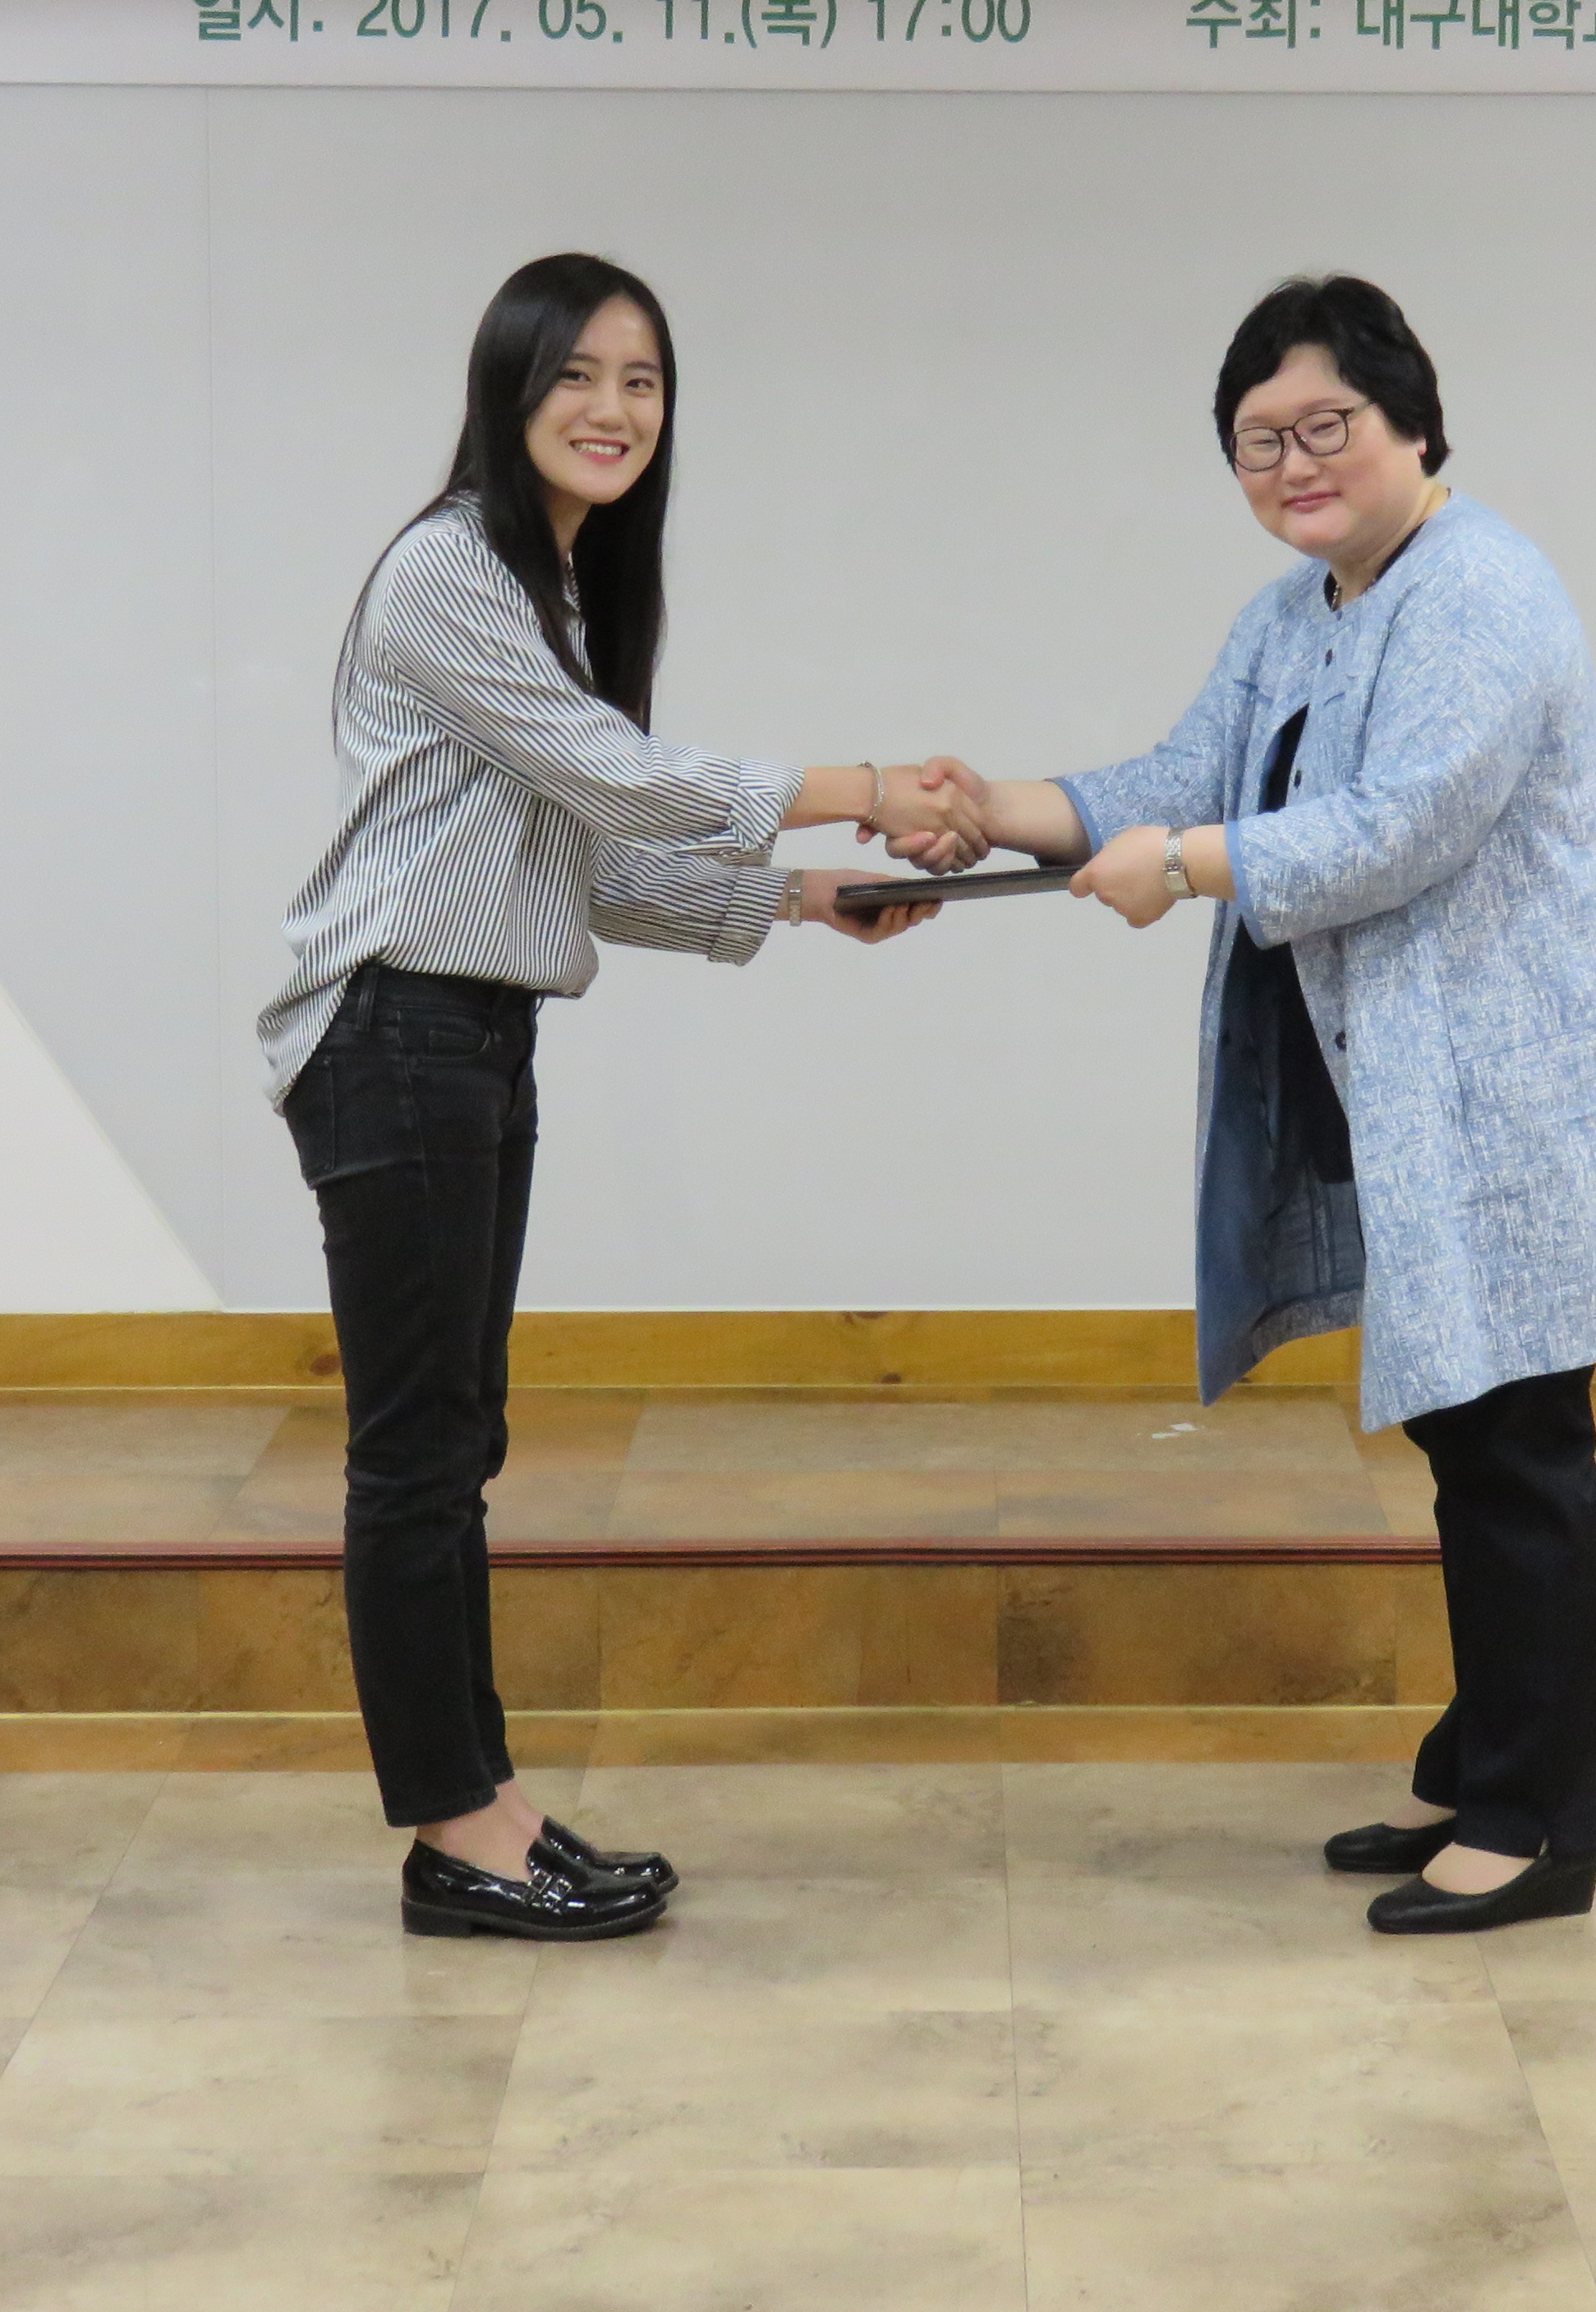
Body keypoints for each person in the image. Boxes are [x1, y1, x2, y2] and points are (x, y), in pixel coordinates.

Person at [922, 275, 1596, 1933]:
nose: (1295, 463)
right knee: (1469, 1437)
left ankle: (1540, 1825)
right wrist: (996, 810)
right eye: (1258, 441)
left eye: (1325, 424)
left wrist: (1189, 867)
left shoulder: (1483, 587)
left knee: (1520, 1452)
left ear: (1412, 420)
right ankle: (1480, 1763)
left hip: (1515, 1111)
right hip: (1407, 1103)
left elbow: (1401, 825)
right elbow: (1175, 781)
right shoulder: (1296, 611)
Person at [262, 251, 980, 1942]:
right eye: (576, 374)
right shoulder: (449, 569)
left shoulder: (556, 593)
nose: (612, 408)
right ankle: (456, 1833)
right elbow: (629, 781)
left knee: (459, 1443)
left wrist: (803, 896)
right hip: (393, 1033)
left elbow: (575, 862)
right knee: (416, 1456)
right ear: (508, 392)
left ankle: (490, 1806)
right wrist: (870, 786)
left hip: (466, 1034)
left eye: (642, 380)